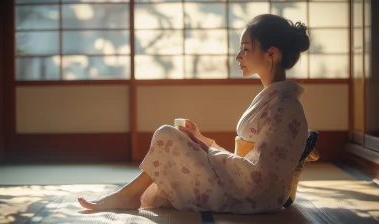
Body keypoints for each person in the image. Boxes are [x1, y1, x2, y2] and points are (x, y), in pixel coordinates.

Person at [78, 14, 312, 214]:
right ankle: (128, 195)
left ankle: (127, 196)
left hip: (253, 200)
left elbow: (255, 178)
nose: (238, 56)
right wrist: (202, 140)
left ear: (271, 53)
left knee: (167, 137)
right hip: (245, 190)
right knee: (164, 171)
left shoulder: (284, 107)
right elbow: (247, 164)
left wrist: (207, 151)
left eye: (246, 49)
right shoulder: (274, 100)